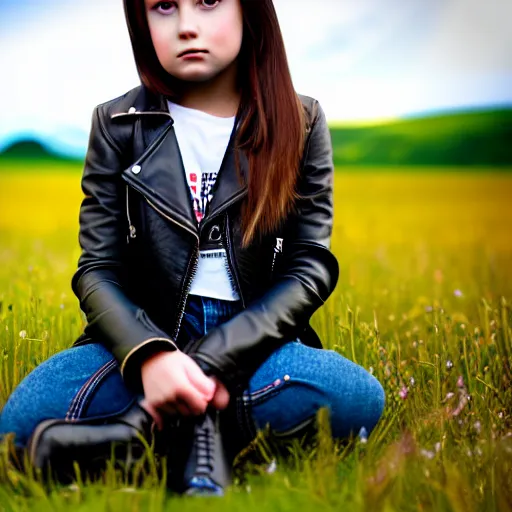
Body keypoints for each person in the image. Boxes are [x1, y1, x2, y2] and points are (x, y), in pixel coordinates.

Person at [0, 0, 385, 496]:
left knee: (356, 397)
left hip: (254, 343)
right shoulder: (117, 122)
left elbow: (309, 268)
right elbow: (97, 269)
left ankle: (143, 428)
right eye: (163, 7)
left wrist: (216, 359)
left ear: (251, 11)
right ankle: (203, 424)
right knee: (20, 421)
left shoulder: (301, 119)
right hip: (141, 336)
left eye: (207, 2)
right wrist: (152, 357)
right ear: (140, 22)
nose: (186, 26)